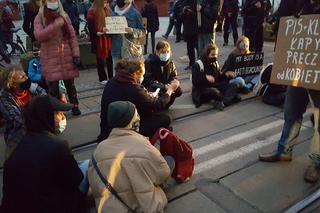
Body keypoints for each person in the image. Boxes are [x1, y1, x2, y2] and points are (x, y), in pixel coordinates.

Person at [259, 0, 320, 184]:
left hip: (317, 69)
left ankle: (316, 163)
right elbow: (282, 23)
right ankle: (284, 150)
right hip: (297, 66)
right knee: (291, 111)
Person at [1, 95, 86, 213]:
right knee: (87, 166)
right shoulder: (58, 146)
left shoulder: (16, 143)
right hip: (50, 206)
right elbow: (76, 178)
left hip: (16, 207)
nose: (62, 116)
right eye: (59, 113)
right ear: (47, 117)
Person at [89, 101, 170, 213]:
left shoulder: (98, 151)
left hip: (108, 209)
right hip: (144, 208)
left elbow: (95, 186)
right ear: (131, 121)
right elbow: (163, 174)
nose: (139, 118)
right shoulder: (143, 146)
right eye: (136, 115)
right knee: (165, 164)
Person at [98, 58, 179, 141]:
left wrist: (146, 96)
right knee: (165, 118)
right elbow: (157, 105)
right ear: (136, 74)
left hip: (107, 129)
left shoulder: (112, 81)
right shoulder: (134, 88)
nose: (142, 77)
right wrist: (170, 90)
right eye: (142, 75)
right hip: (125, 132)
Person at [34, 0, 81, 115]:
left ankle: (75, 106)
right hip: (50, 57)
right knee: (53, 89)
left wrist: (76, 54)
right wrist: (55, 25)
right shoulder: (40, 17)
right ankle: (55, 112)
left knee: (71, 86)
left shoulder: (64, 16)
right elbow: (39, 36)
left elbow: (72, 36)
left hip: (66, 56)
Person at [0, 66, 46, 160]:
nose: (27, 79)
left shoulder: (31, 88)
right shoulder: (5, 99)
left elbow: (45, 98)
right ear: (13, 84)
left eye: (25, 75)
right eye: (22, 78)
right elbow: (18, 120)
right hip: (19, 134)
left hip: (37, 128)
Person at [192, 43, 240, 109]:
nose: (215, 57)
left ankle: (223, 102)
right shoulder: (198, 64)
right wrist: (205, 77)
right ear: (207, 54)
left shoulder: (215, 63)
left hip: (215, 85)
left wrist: (226, 74)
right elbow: (195, 81)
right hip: (202, 89)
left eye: (216, 55)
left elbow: (219, 77)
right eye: (213, 55)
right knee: (214, 92)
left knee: (234, 85)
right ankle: (228, 98)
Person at [143, 40, 182, 109]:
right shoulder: (149, 62)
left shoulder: (170, 62)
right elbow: (148, 80)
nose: (166, 54)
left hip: (166, 85)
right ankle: (158, 105)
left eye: (168, 52)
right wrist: (164, 87)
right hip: (154, 87)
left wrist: (174, 82)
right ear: (157, 52)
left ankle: (166, 104)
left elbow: (173, 75)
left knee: (178, 90)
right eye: (163, 52)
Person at [110, 0, 145, 69]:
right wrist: (105, 32)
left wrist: (132, 31)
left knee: (129, 75)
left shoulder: (135, 14)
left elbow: (143, 32)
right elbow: (110, 34)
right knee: (117, 75)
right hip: (116, 50)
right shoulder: (113, 13)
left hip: (130, 51)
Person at [87, 0, 113, 85]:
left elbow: (112, 21)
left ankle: (111, 76)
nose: (106, 4)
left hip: (107, 38)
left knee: (110, 58)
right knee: (100, 59)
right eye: (104, 2)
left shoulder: (108, 9)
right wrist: (96, 32)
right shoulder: (92, 12)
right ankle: (102, 78)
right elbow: (90, 27)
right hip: (99, 39)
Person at [181, 0, 197, 70]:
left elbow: (198, 16)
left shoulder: (195, 3)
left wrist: (191, 12)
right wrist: (184, 12)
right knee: (189, 48)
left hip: (195, 29)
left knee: (197, 47)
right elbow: (181, 17)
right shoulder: (184, 3)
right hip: (187, 30)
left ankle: (199, 64)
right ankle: (191, 64)